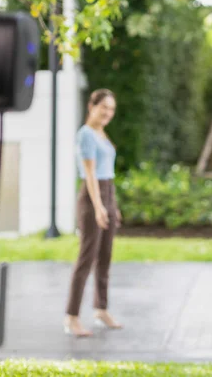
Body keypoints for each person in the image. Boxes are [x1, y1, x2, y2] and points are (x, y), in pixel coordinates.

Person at [64, 88, 123, 337]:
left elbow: (107, 170)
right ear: (92, 106)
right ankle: (71, 317)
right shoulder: (86, 135)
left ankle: (101, 308)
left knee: (105, 256)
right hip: (92, 197)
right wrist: (99, 207)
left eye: (111, 109)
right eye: (103, 108)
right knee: (86, 258)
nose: (107, 113)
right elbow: (90, 174)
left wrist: (112, 205)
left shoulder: (101, 132)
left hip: (107, 193)